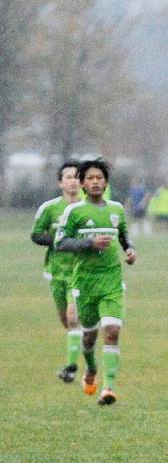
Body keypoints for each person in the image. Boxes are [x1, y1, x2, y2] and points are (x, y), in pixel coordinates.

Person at [53, 158, 137, 405]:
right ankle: (90, 369)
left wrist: (130, 250)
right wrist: (89, 243)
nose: (95, 182)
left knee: (112, 332)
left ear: (106, 182)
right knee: (88, 338)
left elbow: (124, 236)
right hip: (85, 284)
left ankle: (109, 388)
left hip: (111, 282)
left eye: (99, 178)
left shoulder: (116, 210)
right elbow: (60, 243)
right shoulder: (74, 212)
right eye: (90, 178)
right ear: (82, 184)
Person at [30, 161, 84, 382]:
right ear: (60, 182)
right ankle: (82, 340)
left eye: (76, 177)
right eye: (68, 177)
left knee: (73, 317)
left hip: (81, 272)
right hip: (56, 272)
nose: (73, 180)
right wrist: (59, 240)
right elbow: (36, 235)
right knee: (65, 319)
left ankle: (70, 368)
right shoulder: (49, 209)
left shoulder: (88, 208)